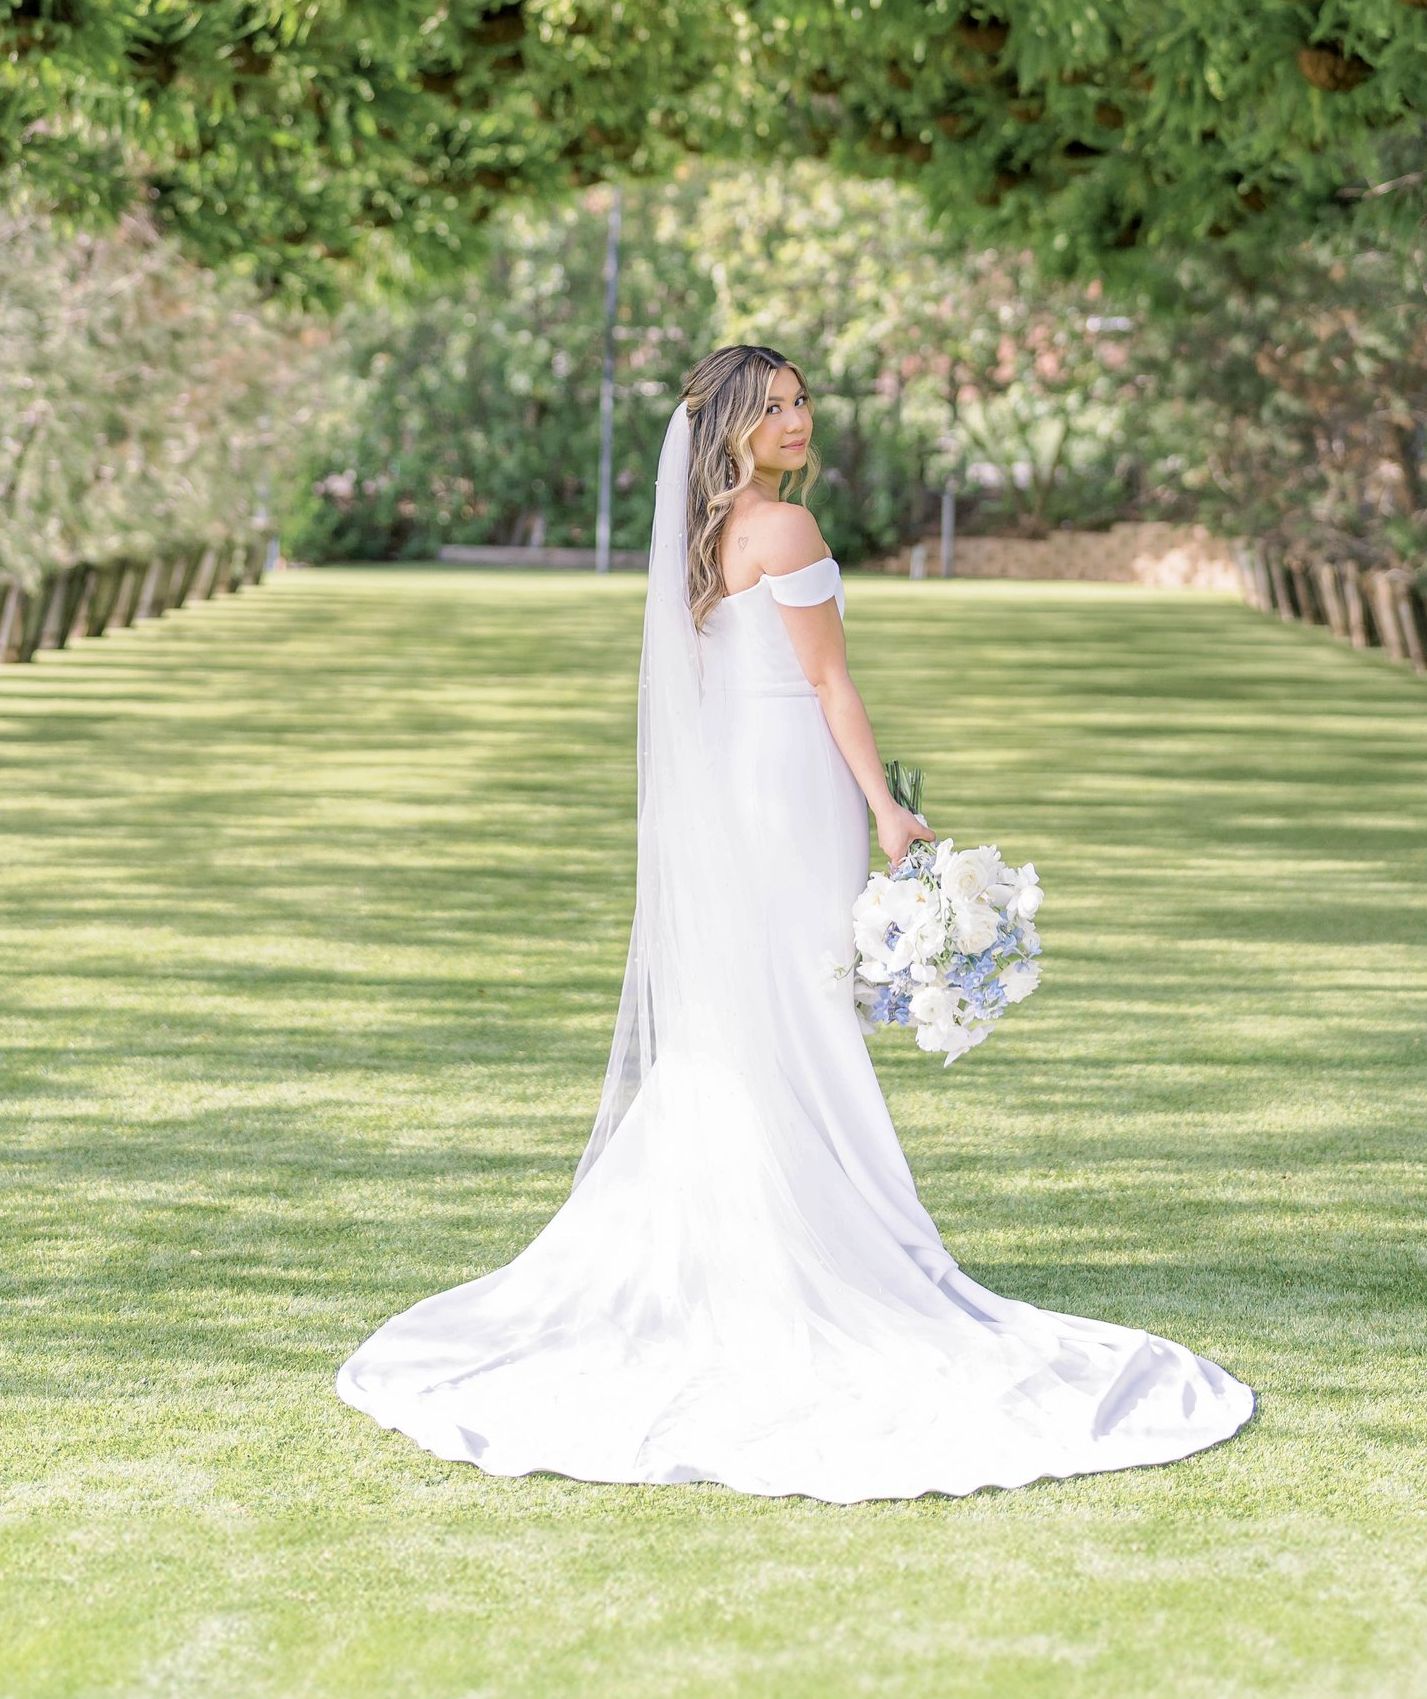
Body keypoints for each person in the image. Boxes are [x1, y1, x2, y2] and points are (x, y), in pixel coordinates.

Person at [337, 344, 1252, 1499]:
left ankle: (727, 1227)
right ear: (723, 425)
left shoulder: (702, 545)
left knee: (743, 1012)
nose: (794, 419)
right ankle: (810, 1237)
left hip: (731, 793)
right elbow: (831, 684)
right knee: (800, 1005)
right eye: (769, 408)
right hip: (793, 793)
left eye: (800, 401)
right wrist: (890, 812)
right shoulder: (786, 534)